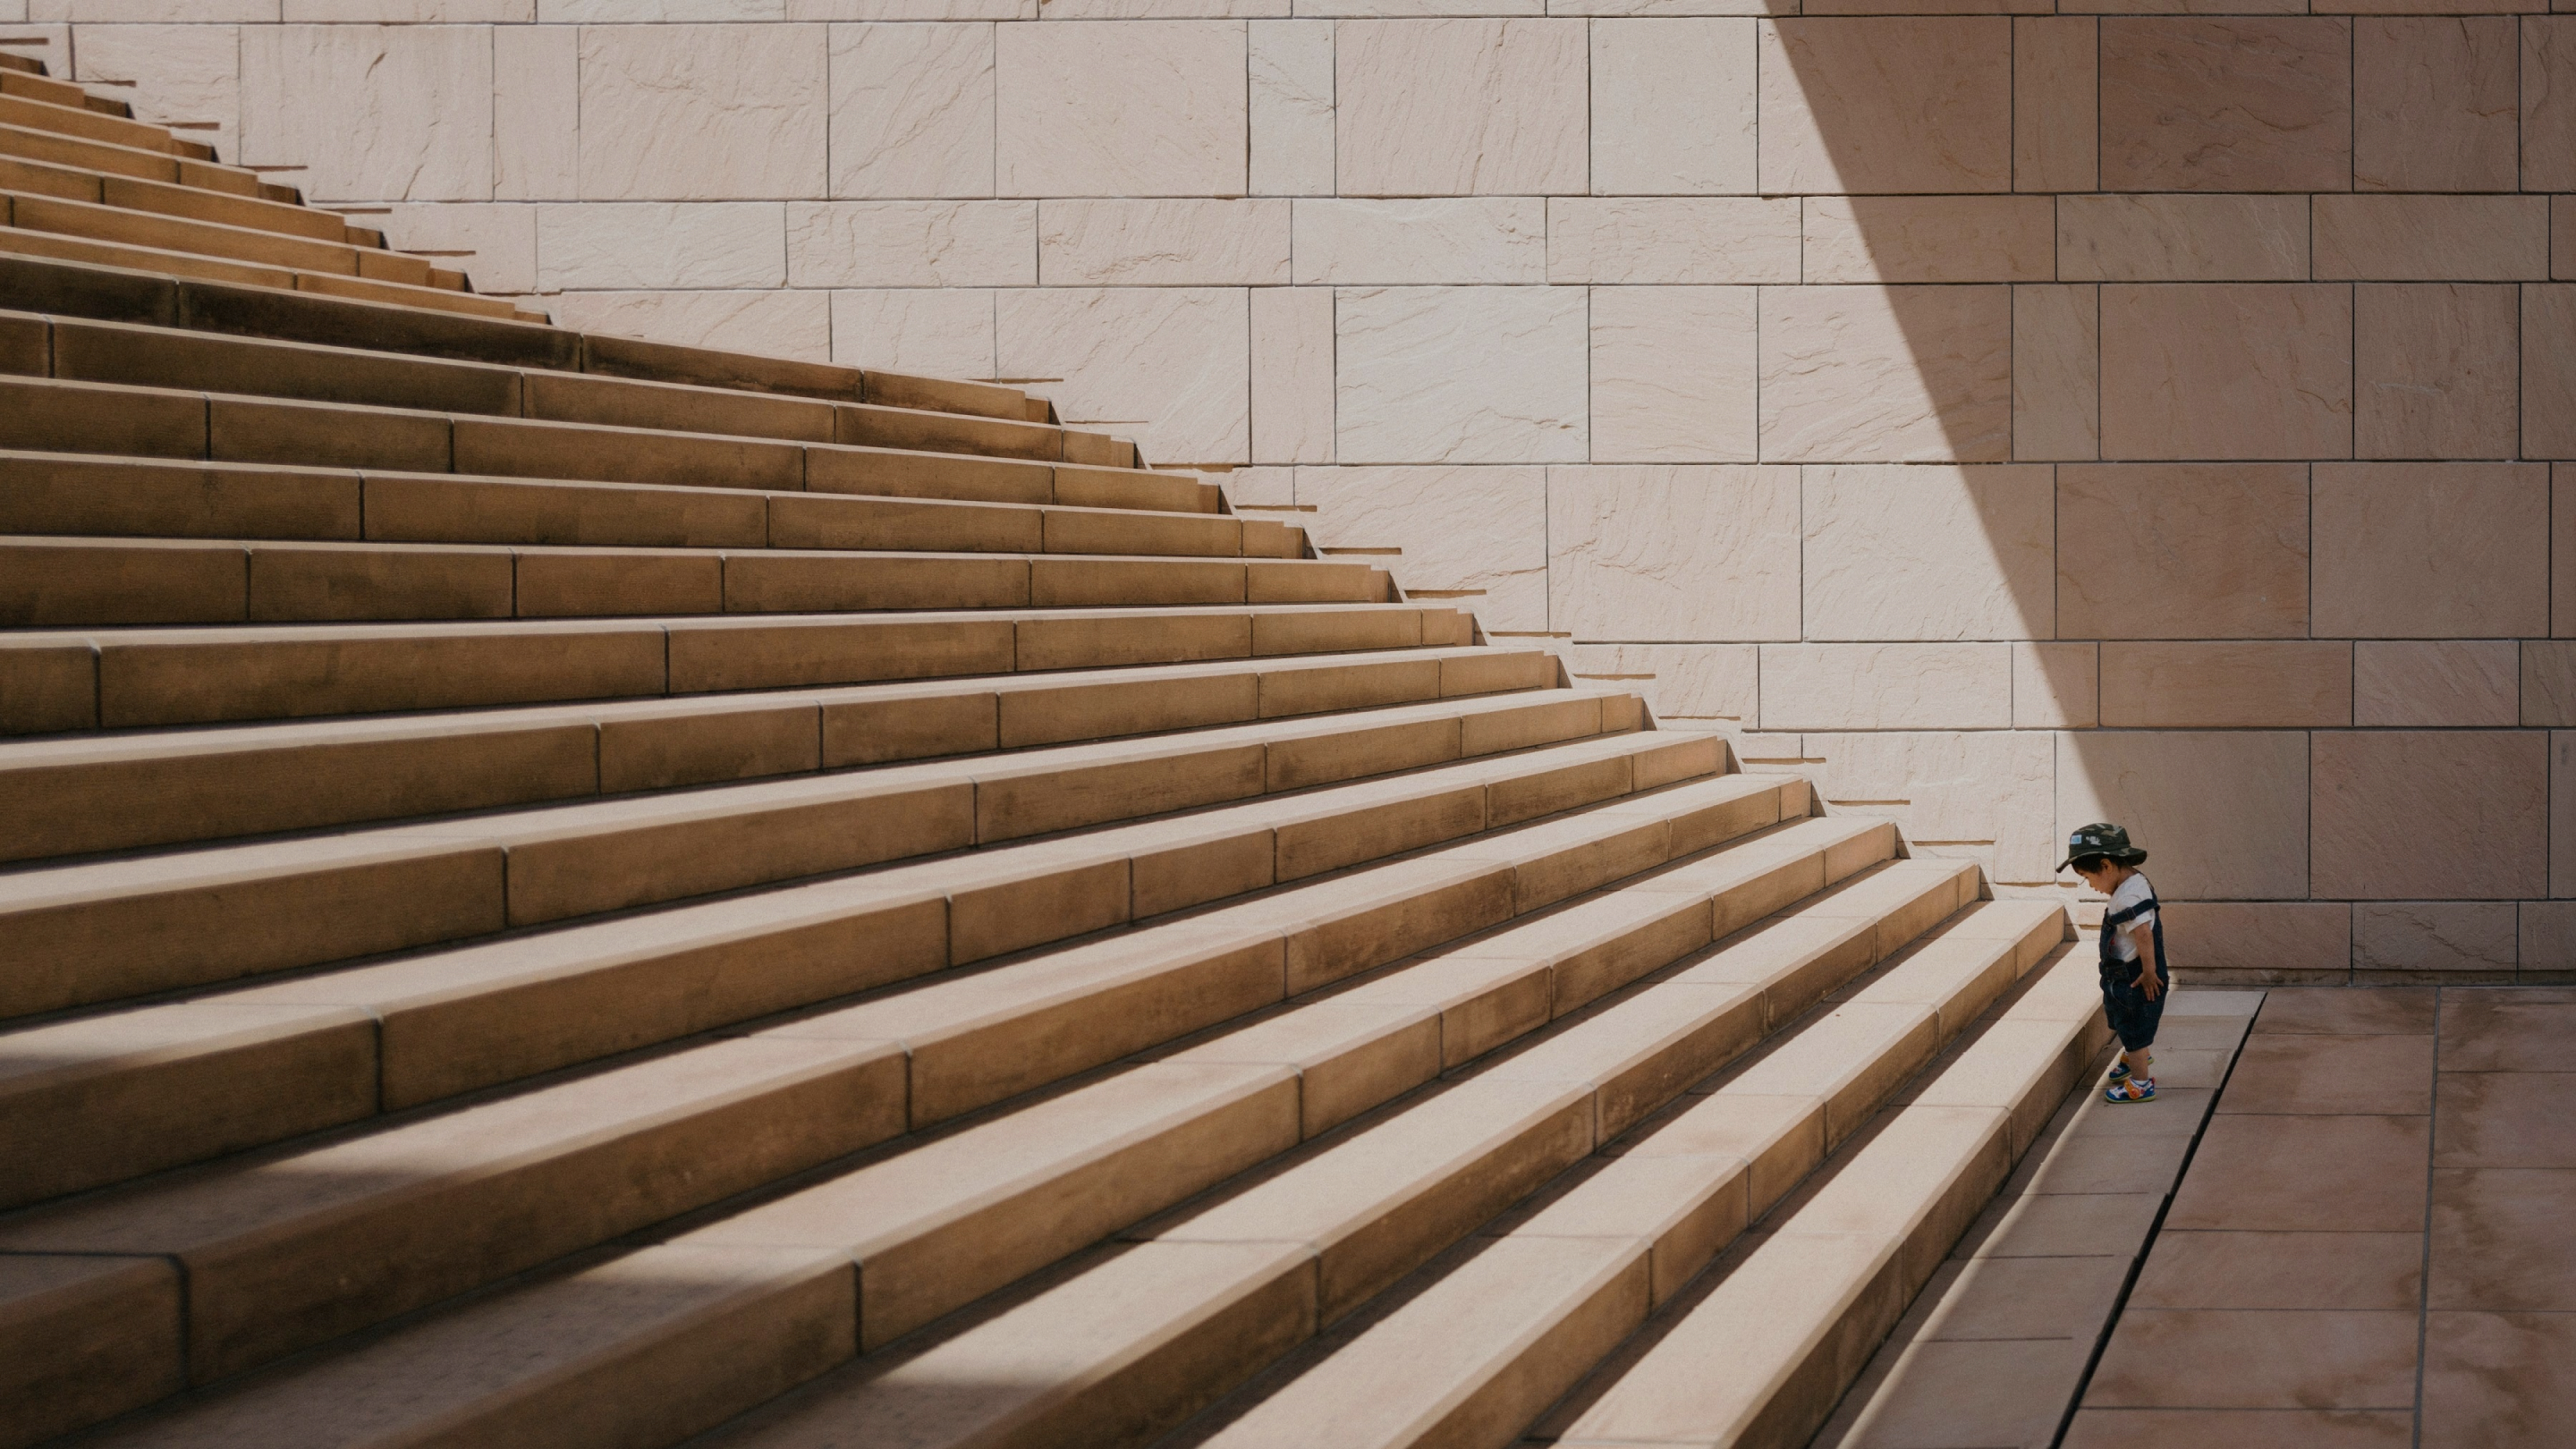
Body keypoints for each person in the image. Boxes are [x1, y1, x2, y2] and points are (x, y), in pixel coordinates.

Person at [2059, 823, 2167, 1104]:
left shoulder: (2127, 897)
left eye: (2088, 877)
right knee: (2126, 1019)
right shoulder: (2134, 882)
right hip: (2127, 971)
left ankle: (2141, 1082)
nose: (2091, 886)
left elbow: (2143, 934)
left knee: (2133, 1024)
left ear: (2105, 865)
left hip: (2135, 974)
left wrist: (2148, 972)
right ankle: (2136, 1054)